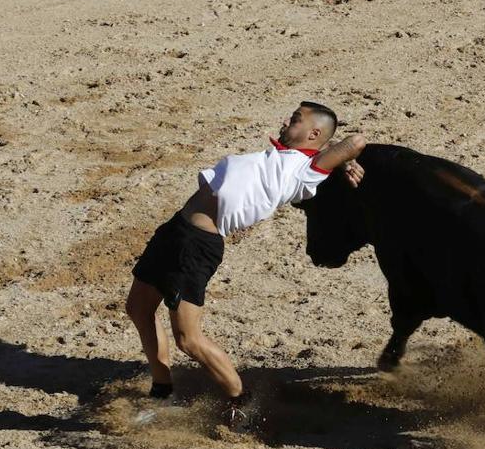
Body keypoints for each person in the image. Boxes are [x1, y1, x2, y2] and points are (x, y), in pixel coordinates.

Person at [126, 103, 366, 427]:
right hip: (176, 229)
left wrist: (342, 158)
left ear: (314, 134)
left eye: (295, 120)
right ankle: (162, 390)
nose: (286, 121)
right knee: (138, 307)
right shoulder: (283, 158)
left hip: (195, 246)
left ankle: (240, 400)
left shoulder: (305, 171)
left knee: (189, 339)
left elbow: (356, 141)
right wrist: (338, 159)